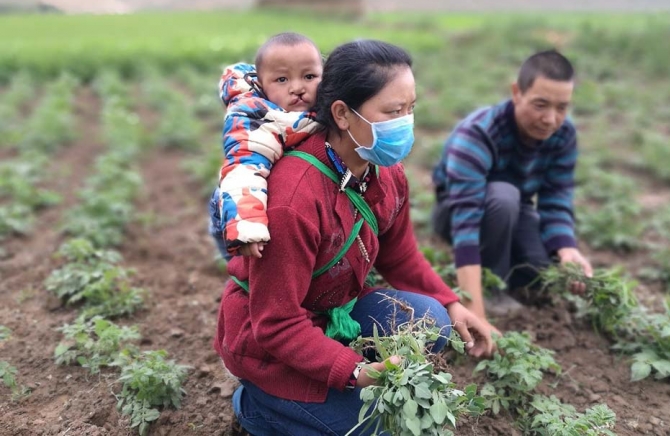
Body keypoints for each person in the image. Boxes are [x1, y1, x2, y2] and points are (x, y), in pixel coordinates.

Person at [214, 39, 496, 436]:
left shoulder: (385, 171)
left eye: (410, 109)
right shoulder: (294, 198)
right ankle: (258, 406)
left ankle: (323, 374)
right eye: (393, 112)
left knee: (432, 321)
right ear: (343, 115)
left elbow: (399, 256)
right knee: (378, 426)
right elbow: (276, 323)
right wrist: (356, 371)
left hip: (330, 308)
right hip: (268, 340)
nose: (405, 122)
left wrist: (453, 303)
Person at [431, 49, 593, 321]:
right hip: (456, 212)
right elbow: (465, 221)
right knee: (504, 195)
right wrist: (476, 310)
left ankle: (503, 265)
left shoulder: (563, 134)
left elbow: (556, 197)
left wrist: (567, 248)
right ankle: (491, 287)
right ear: (517, 92)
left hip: (515, 211)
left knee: (543, 273)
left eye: (562, 108)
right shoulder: (477, 133)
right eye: (540, 105)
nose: (551, 119)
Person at [208, 32, 323, 261]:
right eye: (282, 80)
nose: (297, 88)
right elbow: (243, 171)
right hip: (237, 208)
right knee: (250, 265)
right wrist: (247, 225)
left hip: (281, 199)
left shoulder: (325, 107)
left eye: (309, 76)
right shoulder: (255, 117)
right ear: (261, 85)